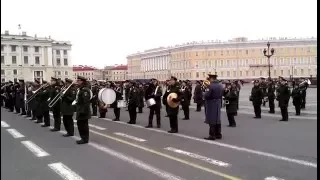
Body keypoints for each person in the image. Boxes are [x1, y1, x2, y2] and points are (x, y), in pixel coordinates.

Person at [203, 74, 223, 140]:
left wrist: (204, 93)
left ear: (211, 78)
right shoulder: (220, 85)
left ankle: (212, 135)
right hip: (218, 103)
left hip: (211, 104)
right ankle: (218, 134)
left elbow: (207, 95)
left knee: (212, 119)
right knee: (217, 119)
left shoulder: (210, 86)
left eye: (209, 78)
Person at [75, 76, 92, 144]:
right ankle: (82, 137)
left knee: (83, 125)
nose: (77, 81)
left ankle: (85, 139)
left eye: (78, 80)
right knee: (80, 125)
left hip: (83, 111)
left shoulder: (85, 90)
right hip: (80, 110)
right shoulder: (81, 89)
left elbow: (86, 102)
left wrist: (82, 111)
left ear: (82, 81)